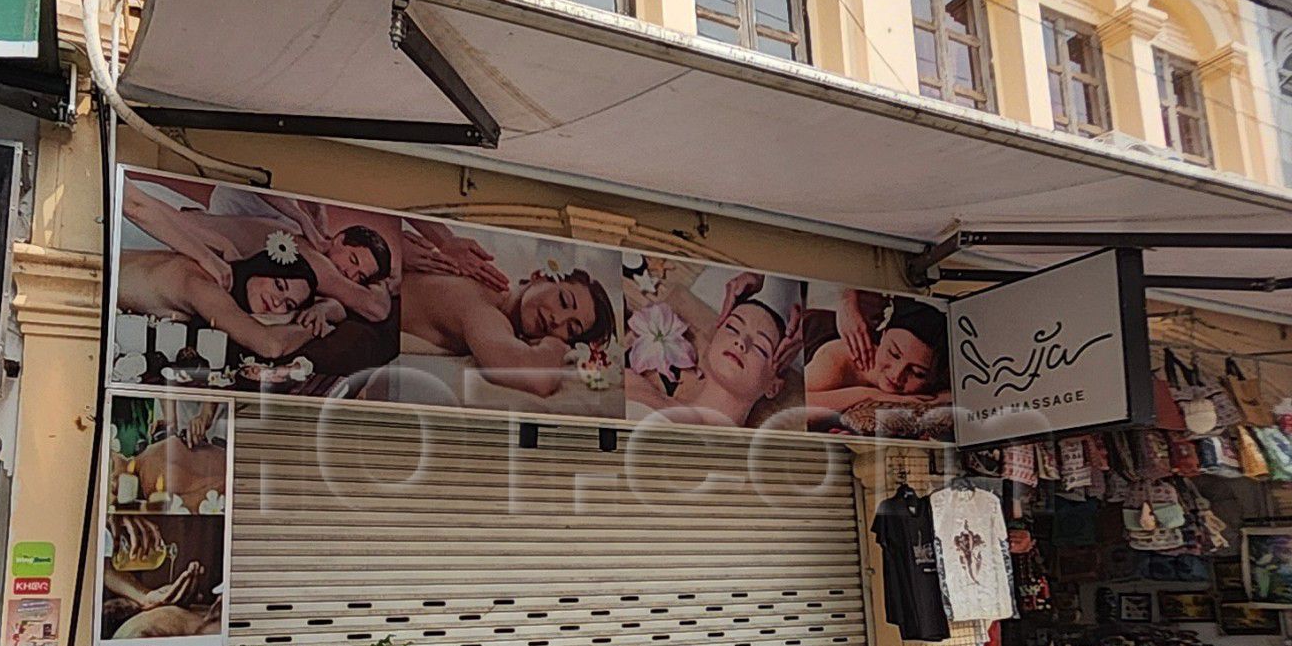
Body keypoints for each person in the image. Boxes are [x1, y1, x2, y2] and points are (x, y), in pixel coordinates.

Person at [398, 220, 618, 399]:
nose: (557, 320)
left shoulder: (488, 295)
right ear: (540, 276)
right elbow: (537, 379)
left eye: (571, 329)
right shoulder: (486, 311)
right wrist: (555, 346)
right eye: (563, 300)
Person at [123, 184, 397, 325]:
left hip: (167, 226)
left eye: (359, 276)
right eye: (353, 261)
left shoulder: (301, 259)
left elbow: (334, 305)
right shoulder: (312, 256)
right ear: (339, 240)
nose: (350, 275)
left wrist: (325, 308)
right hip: (153, 229)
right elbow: (375, 308)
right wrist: (383, 286)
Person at [625, 260, 807, 426]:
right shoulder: (632, 385)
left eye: (761, 348)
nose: (741, 342)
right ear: (711, 344)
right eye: (733, 328)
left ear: (773, 387)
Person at [118, 243, 342, 363]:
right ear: (261, 269)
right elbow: (270, 346)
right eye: (279, 285)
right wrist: (311, 328)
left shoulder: (226, 274)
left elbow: (337, 307)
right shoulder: (205, 287)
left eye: (289, 304)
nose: (276, 303)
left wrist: (320, 309)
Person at [807, 293, 951, 430]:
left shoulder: (935, 377)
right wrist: (869, 395)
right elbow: (799, 407)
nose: (897, 374)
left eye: (917, 373)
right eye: (894, 354)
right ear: (883, 336)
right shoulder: (837, 363)